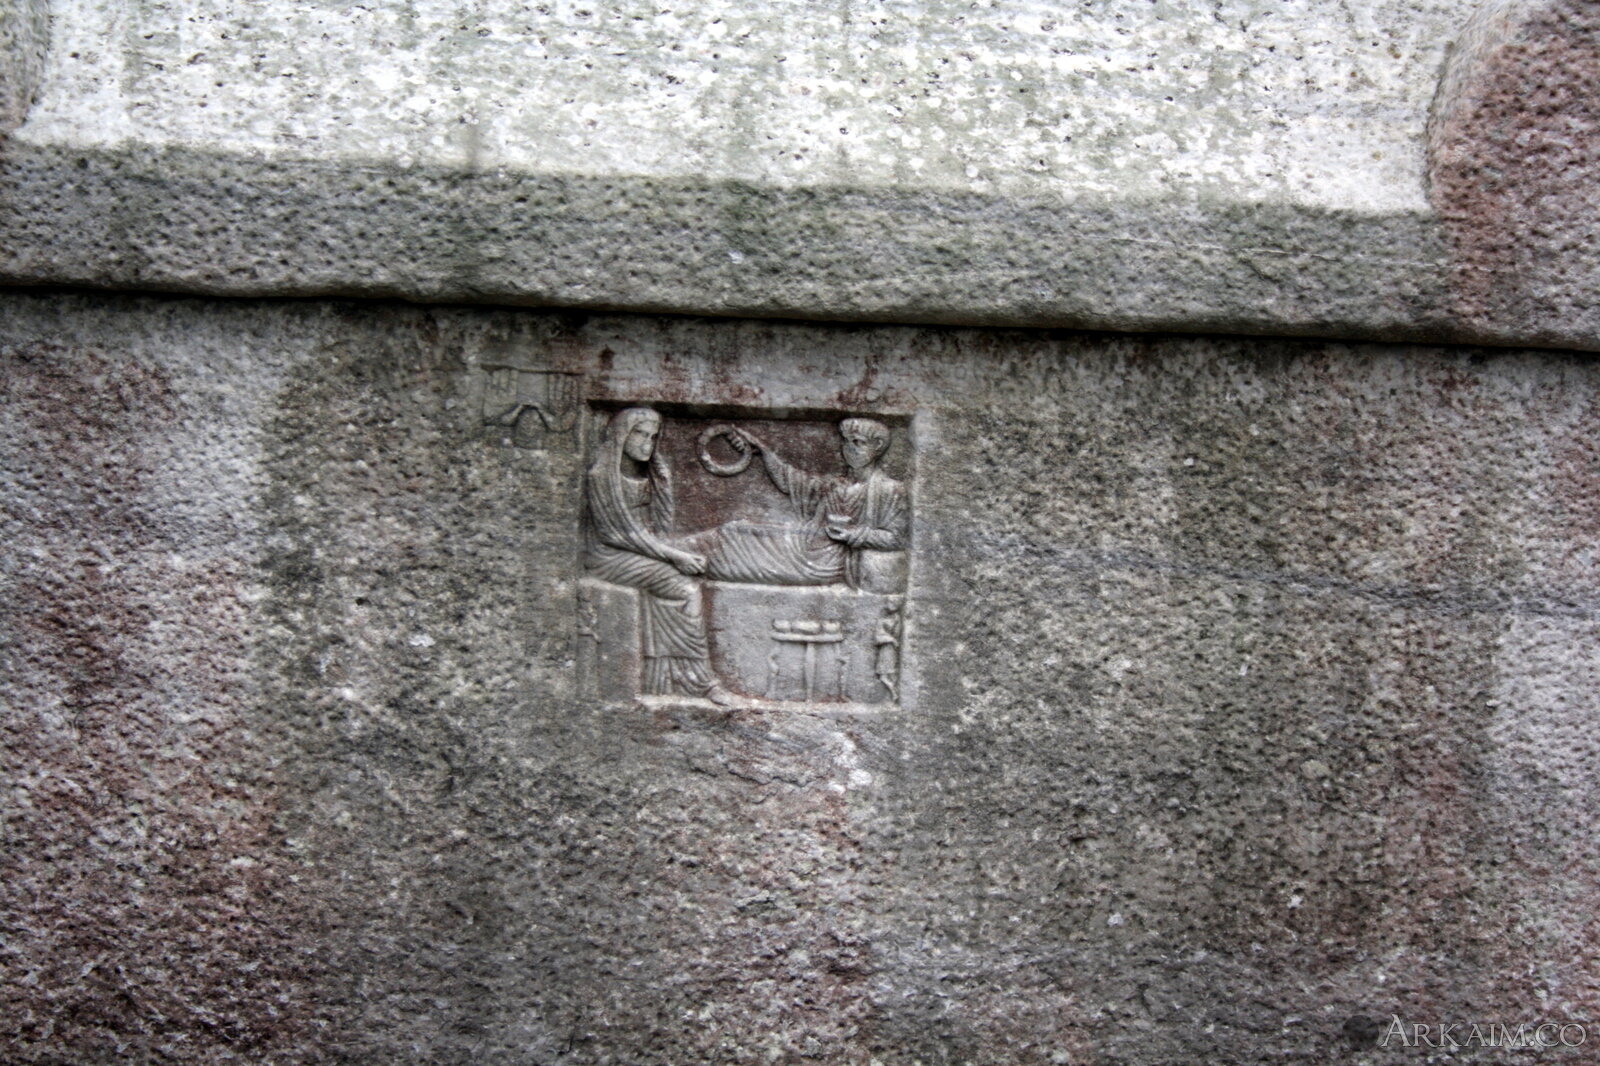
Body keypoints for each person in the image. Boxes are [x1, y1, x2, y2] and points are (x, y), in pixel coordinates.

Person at [582, 407, 734, 704]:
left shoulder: (648, 475)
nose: (647, 443)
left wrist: (663, 483)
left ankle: (662, 678)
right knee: (686, 589)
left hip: (642, 551)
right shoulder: (601, 477)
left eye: (653, 437)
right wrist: (674, 557)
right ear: (621, 435)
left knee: (701, 565)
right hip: (608, 557)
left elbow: (657, 529)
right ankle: (700, 681)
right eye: (639, 434)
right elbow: (615, 534)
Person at [698, 418, 908, 591]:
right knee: (735, 529)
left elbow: (897, 538)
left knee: (739, 545)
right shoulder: (835, 485)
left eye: (858, 442)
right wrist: (761, 451)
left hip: (826, 560)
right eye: (846, 441)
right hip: (803, 542)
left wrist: (854, 535)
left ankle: (695, 561)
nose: (849, 448)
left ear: (877, 446)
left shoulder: (889, 490)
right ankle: (685, 552)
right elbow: (790, 480)